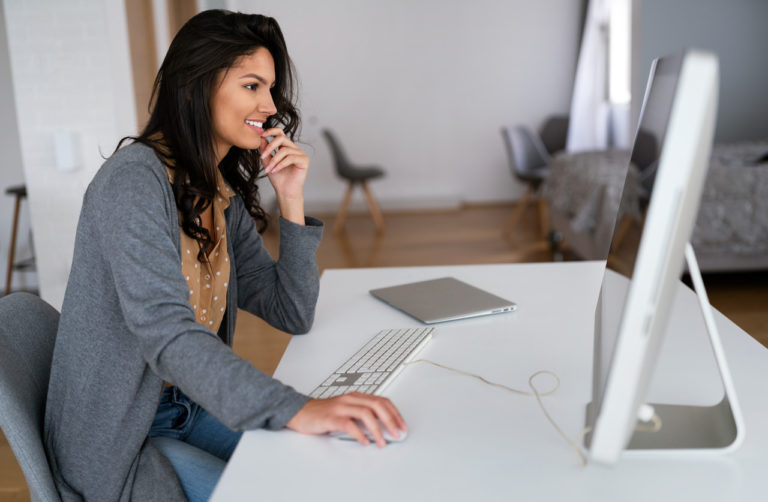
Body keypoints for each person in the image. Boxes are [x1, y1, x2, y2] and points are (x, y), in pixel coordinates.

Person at [43, 10, 406, 502]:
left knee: (320, 472)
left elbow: (291, 311)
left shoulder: (217, 192)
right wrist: (298, 408)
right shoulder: (132, 183)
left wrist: (291, 199)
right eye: (253, 86)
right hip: (121, 438)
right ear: (197, 85)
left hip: (187, 408)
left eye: (271, 89)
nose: (271, 105)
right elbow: (167, 330)